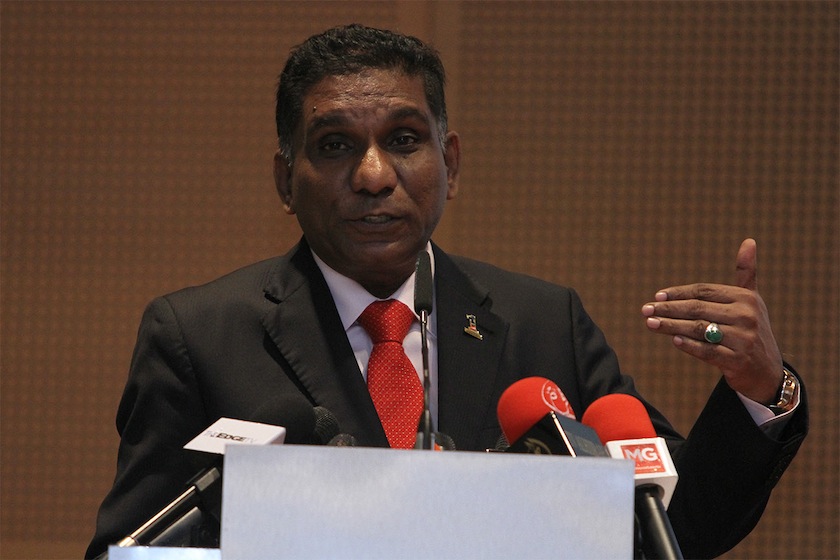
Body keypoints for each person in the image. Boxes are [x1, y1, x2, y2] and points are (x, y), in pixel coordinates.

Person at [87, 24, 808, 559]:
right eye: (335, 145)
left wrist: (759, 388)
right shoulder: (200, 337)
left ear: (449, 162)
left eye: (403, 139)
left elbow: (674, 525)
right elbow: (133, 546)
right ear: (285, 180)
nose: (373, 175)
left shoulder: (541, 324)